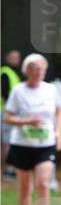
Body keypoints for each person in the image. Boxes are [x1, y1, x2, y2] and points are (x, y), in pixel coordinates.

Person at [3, 53, 61, 205]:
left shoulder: (51, 90)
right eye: (34, 69)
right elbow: (8, 117)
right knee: (25, 187)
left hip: (45, 143)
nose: (38, 72)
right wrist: (27, 121)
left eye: (41, 69)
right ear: (26, 71)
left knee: (43, 182)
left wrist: (58, 132)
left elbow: (59, 111)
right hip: (22, 143)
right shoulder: (18, 91)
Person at [1, 49, 22, 177]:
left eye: (18, 57)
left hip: (5, 111)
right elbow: (5, 93)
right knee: (7, 141)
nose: (16, 60)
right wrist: (12, 109)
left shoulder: (12, 73)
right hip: (5, 111)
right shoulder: (5, 72)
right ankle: (8, 169)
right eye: (14, 57)